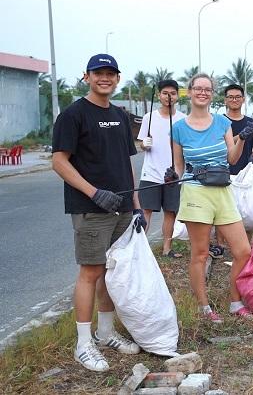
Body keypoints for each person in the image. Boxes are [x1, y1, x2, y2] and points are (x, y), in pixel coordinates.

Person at [52, 54, 145, 372]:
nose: (104, 78)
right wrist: (93, 192)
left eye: (110, 73)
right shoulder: (74, 114)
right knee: (91, 273)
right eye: (98, 73)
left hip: (121, 208)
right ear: (87, 77)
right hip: (91, 208)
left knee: (112, 272)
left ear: (117, 79)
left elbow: (127, 162)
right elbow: (59, 161)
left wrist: (135, 206)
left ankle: (106, 332)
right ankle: (83, 343)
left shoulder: (120, 116)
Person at [169, 73, 253, 322]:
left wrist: (242, 139)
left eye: (207, 89)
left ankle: (235, 302)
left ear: (212, 94)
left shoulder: (222, 123)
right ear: (190, 91)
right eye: (198, 88)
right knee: (200, 253)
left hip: (223, 190)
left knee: (243, 251)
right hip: (195, 191)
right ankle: (204, 308)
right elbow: (177, 167)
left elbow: (232, 159)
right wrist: (170, 175)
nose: (203, 92)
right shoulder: (179, 128)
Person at [208, 84, 253, 256]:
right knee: (222, 211)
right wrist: (239, 136)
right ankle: (220, 245)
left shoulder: (251, 122)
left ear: (243, 99)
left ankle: (246, 246)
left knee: (247, 211)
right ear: (225, 100)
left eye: (238, 97)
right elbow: (217, 145)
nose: (234, 100)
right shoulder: (218, 122)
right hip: (223, 173)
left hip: (245, 175)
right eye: (231, 97)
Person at [138, 79, 186, 258]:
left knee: (170, 212)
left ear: (177, 96)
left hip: (174, 175)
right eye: (165, 93)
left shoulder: (182, 119)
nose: (169, 97)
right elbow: (142, 143)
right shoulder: (148, 117)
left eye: (173, 93)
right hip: (150, 173)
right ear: (159, 95)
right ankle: (140, 251)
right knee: (145, 211)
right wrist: (145, 144)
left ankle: (167, 248)